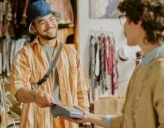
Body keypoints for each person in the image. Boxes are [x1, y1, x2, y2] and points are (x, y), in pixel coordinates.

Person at [62, 0, 164, 128]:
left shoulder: (161, 69)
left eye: (126, 19)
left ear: (140, 21)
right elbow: (126, 122)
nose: (124, 26)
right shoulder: (142, 68)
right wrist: (88, 117)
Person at [9, 0, 91, 128]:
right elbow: (17, 89)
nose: (49, 25)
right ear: (34, 28)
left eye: (51, 19)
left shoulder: (71, 54)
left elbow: (81, 90)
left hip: (68, 123)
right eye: (42, 22)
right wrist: (35, 95)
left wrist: (86, 120)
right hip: (37, 123)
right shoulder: (24, 55)